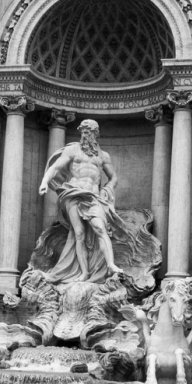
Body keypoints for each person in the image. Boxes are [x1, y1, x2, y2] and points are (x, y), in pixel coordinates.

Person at [38, 119, 125, 283]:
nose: (85, 135)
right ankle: (84, 273)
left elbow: (113, 177)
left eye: (88, 132)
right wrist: (44, 182)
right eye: (83, 132)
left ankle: (111, 265)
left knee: (100, 228)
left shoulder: (103, 156)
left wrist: (108, 189)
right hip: (73, 193)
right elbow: (55, 167)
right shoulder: (72, 150)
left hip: (93, 197)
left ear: (95, 133)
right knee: (79, 233)